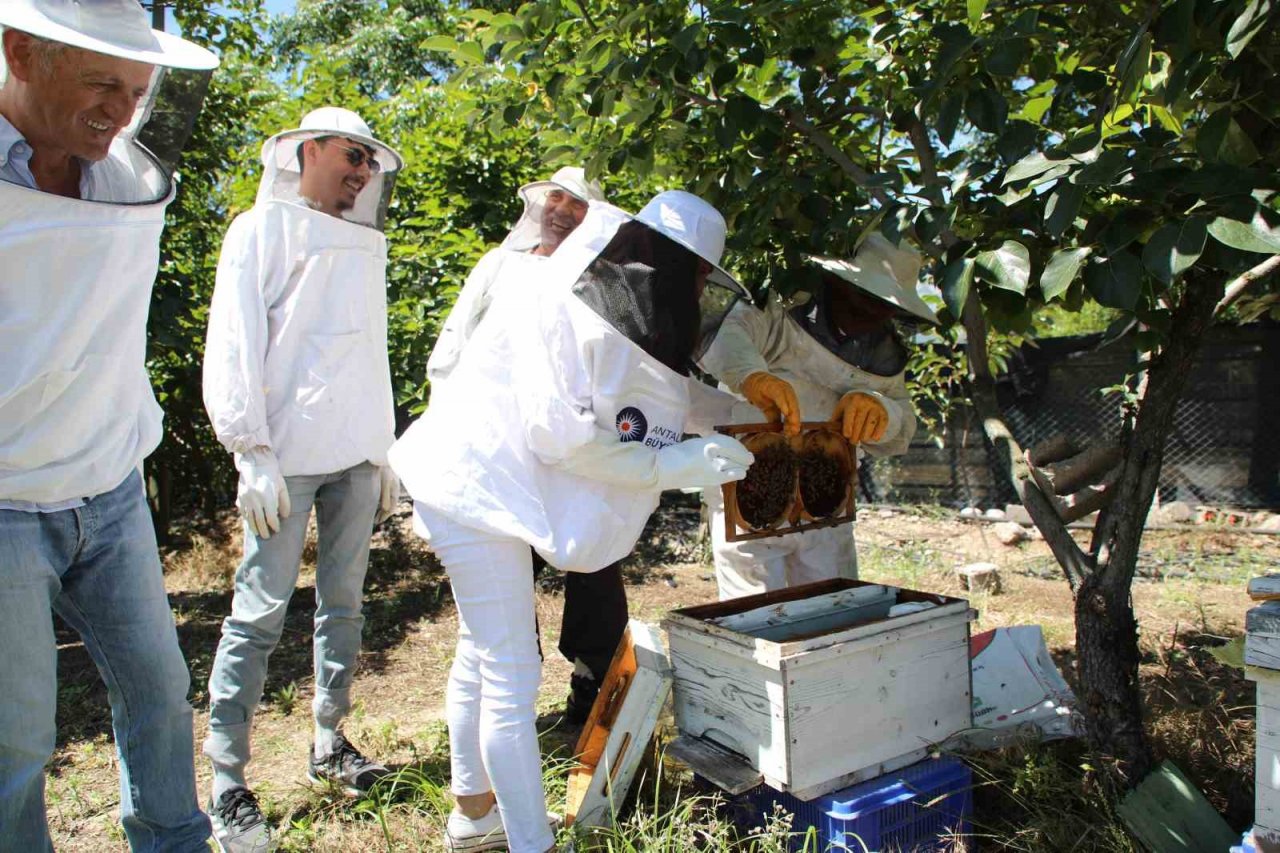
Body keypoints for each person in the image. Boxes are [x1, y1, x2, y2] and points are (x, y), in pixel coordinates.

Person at [389, 191, 755, 853]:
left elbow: (659, 392)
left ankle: (474, 818)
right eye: (692, 273)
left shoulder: (621, 303)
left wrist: (745, 405)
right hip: (471, 483)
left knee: (483, 651)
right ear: (653, 256)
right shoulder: (559, 294)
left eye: (703, 279)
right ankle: (532, 842)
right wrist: (670, 464)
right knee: (509, 667)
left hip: (493, 486)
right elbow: (558, 437)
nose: (694, 290)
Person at [0, 2, 219, 850]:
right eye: (101, 83)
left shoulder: (126, 173)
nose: (123, 112)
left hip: (111, 488)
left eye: (137, 89)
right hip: (7, 504)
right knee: (16, 742)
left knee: (160, 692)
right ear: (18, 51)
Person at [201, 106, 404, 852]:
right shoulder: (258, 231)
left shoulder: (364, 243)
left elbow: (367, 352)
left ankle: (329, 738)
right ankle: (227, 780)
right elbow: (235, 342)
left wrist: (382, 449)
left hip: (354, 454)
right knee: (257, 616)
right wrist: (248, 451)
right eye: (352, 155)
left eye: (370, 163)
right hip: (283, 460)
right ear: (308, 149)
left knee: (343, 606)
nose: (362, 171)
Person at [430, 166, 626, 723]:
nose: (563, 210)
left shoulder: (600, 280)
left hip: (569, 444)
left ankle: (594, 686)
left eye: (578, 205)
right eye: (556, 198)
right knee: (502, 570)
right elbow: (452, 346)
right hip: (495, 448)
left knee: (593, 559)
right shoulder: (498, 265)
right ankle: (508, 695)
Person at [699, 234, 937, 600]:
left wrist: (881, 412)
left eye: (883, 303)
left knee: (833, 609)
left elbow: (903, 428)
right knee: (759, 614)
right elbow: (730, 332)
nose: (871, 311)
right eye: (865, 295)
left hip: (828, 500)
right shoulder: (779, 311)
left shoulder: (886, 358)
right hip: (751, 493)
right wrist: (751, 375)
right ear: (837, 281)